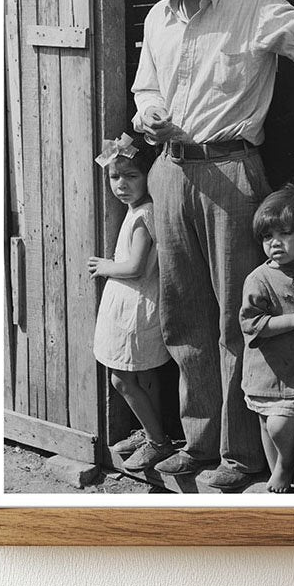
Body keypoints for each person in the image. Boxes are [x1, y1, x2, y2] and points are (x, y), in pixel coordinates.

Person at [131, 0, 294, 490]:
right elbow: (145, 89)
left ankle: (241, 453)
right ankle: (199, 442)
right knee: (184, 315)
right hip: (170, 172)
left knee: (240, 316)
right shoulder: (157, 19)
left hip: (231, 174)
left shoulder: (254, 6)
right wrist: (150, 115)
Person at [88, 133, 173, 472]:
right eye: (114, 177)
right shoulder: (138, 209)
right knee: (144, 376)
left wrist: (104, 266)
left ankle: (158, 442)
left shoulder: (143, 215)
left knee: (122, 379)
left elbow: (136, 267)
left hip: (134, 307)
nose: (121, 184)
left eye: (131, 176)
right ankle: (152, 431)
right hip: (133, 303)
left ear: (147, 176)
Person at [240, 185, 294, 493]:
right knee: (269, 423)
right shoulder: (259, 279)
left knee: (277, 424)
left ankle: (283, 468)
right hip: (268, 369)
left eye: (285, 233)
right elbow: (250, 323)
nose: (274, 242)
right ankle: (281, 468)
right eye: (267, 236)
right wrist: (292, 320)